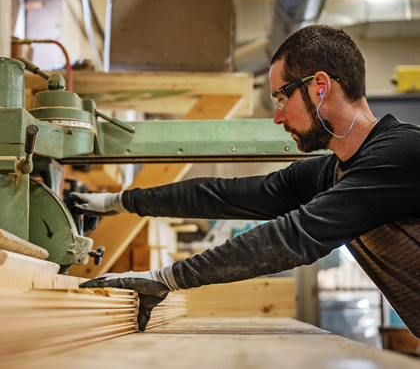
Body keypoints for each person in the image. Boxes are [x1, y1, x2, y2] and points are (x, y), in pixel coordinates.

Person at [71, 25, 420, 337]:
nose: (277, 116)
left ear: (319, 87)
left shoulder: (401, 153)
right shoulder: (331, 172)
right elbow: (225, 195)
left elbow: (293, 238)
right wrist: (116, 202)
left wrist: (166, 279)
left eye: (282, 97)